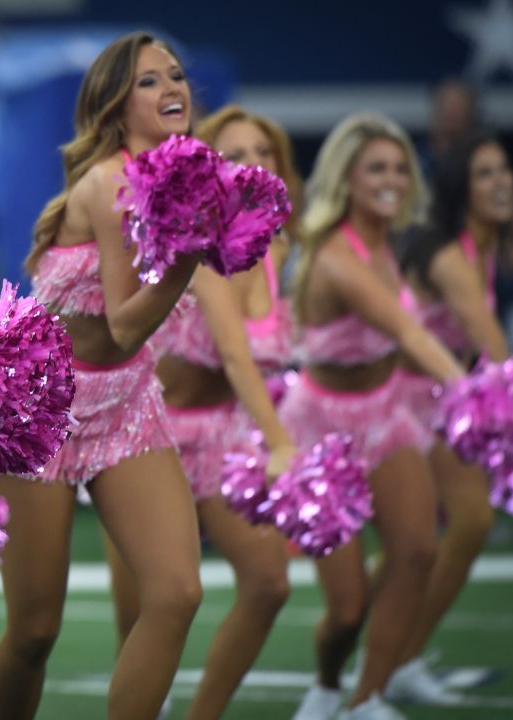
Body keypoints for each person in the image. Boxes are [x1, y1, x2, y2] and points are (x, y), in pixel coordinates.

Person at [0, 31, 205, 720]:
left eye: (176, 75)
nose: (172, 89)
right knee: (34, 630)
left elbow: (128, 343)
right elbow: (124, 323)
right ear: (114, 105)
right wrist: (192, 257)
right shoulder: (109, 180)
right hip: (35, 406)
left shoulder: (186, 175)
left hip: (123, 396)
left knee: (175, 593)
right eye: (149, 81)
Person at [100, 105, 303, 720]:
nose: (253, 167)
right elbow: (237, 358)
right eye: (236, 155)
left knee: (268, 583)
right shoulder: (200, 245)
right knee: (141, 611)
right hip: (144, 435)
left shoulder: (278, 245)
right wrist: (282, 445)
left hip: (220, 438)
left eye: (264, 154)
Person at [284, 112, 466, 720]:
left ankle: (369, 698)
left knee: (417, 551)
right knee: (347, 606)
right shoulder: (336, 255)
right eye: (375, 169)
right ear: (347, 180)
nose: (390, 179)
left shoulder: (390, 243)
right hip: (320, 429)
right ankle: (329, 684)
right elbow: (406, 330)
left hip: (385, 414)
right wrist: (474, 393)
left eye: (397, 168)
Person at [389, 130, 513, 703]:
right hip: (404, 402)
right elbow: (492, 345)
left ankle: (401, 657)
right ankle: (390, 659)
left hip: (446, 399)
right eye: (484, 174)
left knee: (462, 528)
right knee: (445, 533)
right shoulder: (446, 252)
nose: (501, 182)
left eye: (504, 170)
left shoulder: (484, 244)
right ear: (459, 188)